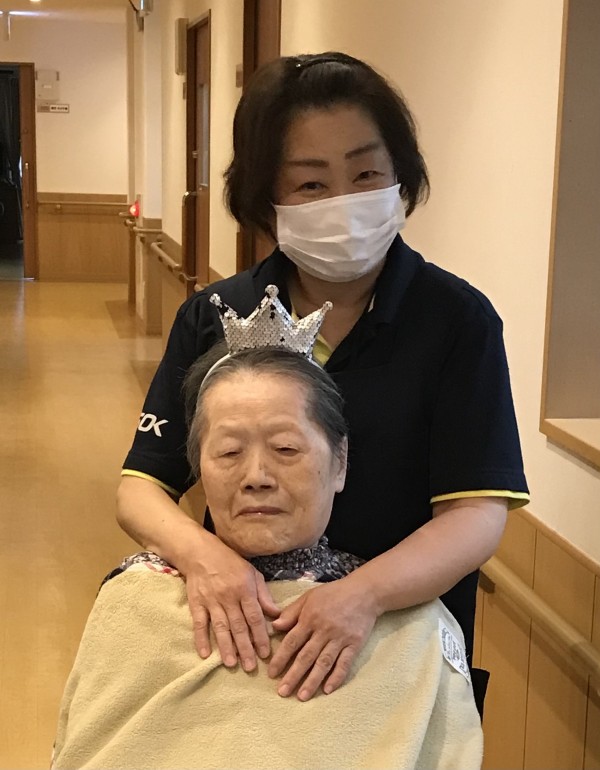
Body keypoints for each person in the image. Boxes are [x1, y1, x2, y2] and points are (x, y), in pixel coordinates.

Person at [117, 51, 529, 704]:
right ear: (266, 197)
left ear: (400, 176)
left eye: (366, 173)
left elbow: (476, 513)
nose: (345, 201)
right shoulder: (215, 315)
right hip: (244, 640)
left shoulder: (455, 321)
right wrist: (205, 558)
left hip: (399, 643)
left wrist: (361, 596)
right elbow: (141, 487)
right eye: (311, 184)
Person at [53, 344, 483, 770]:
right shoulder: (133, 600)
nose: (256, 477)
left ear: (340, 462)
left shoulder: (415, 628)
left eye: (286, 449)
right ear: (199, 467)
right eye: (229, 453)